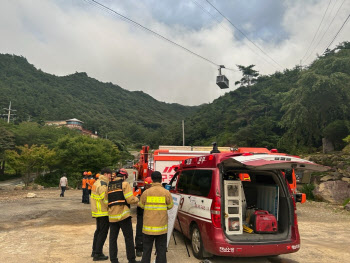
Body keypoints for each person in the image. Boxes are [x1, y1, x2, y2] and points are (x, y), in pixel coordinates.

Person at [139, 171, 173, 263]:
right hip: (161, 228)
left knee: (146, 251)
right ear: (161, 179)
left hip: (148, 227)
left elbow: (141, 205)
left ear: (152, 180)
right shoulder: (166, 192)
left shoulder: (146, 192)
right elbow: (170, 206)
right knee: (161, 251)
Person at [108, 169, 140, 263]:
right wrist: (137, 199)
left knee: (112, 239)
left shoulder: (108, 185)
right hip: (123, 215)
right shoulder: (125, 184)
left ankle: (114, 260)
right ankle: (131, 260)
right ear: (124, 176)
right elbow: (130, 200)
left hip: (112, 217)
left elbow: (107, 201)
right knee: (128, 238)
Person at [91, 168, 111, 261]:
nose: (110, 177)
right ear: (106, 174)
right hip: (103, 211)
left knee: (98, 231)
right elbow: (105, 199)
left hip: (97, 210)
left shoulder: (96, 182)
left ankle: (94, 251)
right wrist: (111, 206)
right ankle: (98, 254)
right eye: (110, 175)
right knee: (103, 232)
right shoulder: (103, 184)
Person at [135, 177, 152, 257]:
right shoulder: (140, 190)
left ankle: (147, 247)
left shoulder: (153, 192)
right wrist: (138, 202)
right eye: (147, 186)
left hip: (150, 214)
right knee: (139, 231)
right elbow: (133, 198)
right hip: (141, 214)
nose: (148, 187)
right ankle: (139, 248)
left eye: (150, 186)